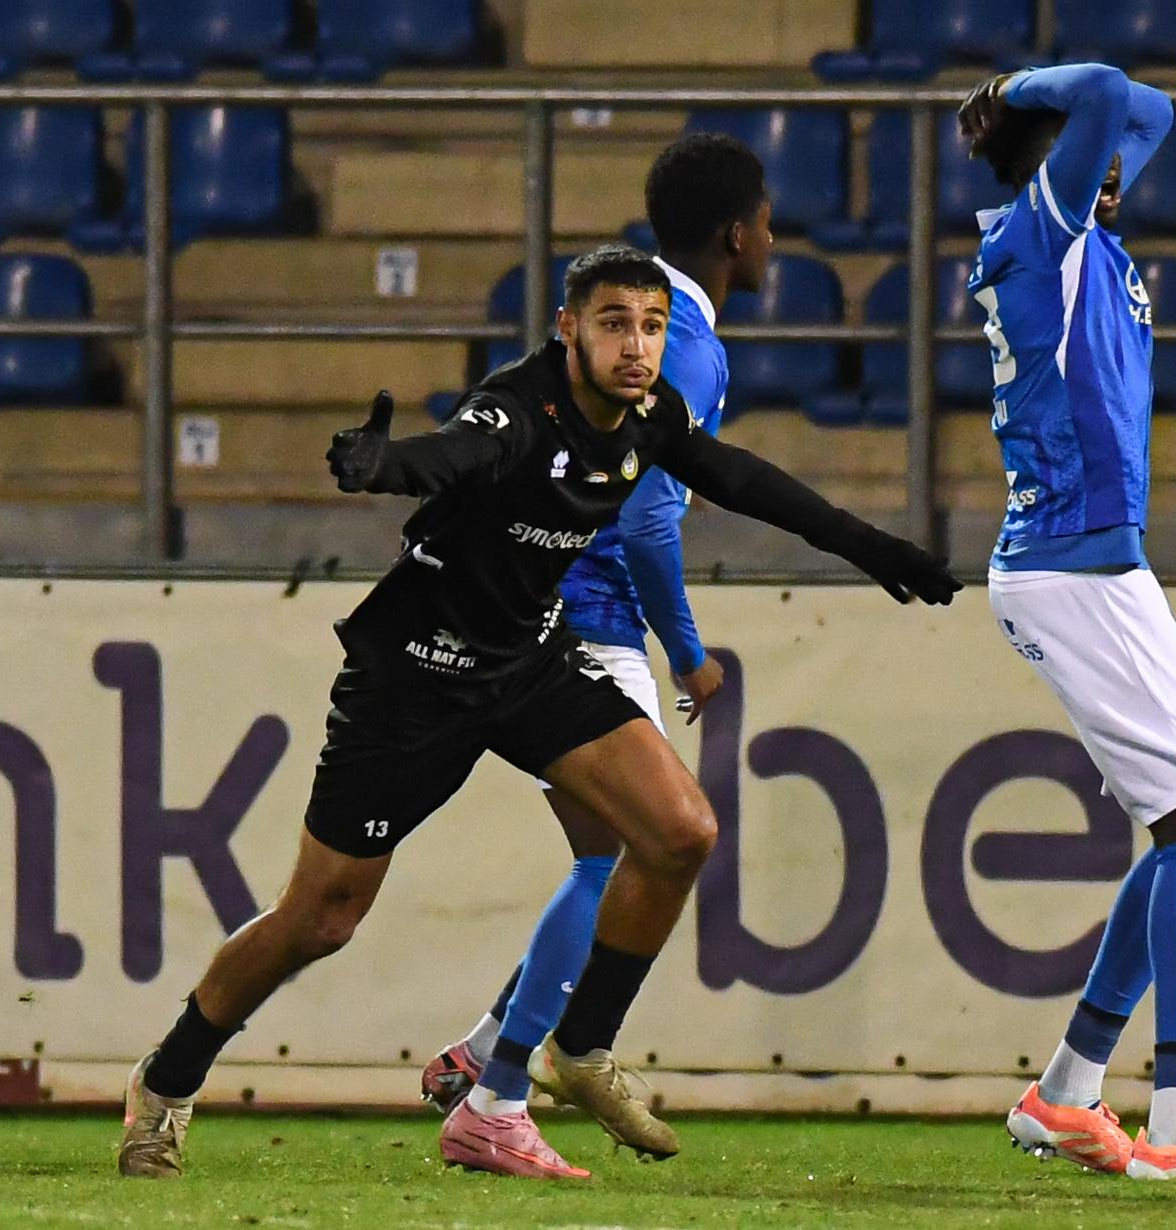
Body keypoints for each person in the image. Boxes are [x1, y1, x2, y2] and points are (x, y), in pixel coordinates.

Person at [117, 245, 959, 1182]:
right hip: (416, 677)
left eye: (650, 326)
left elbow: (748, 480)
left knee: (680, 832)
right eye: (613, 324)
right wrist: (386, 465)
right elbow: (456, 451)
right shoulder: (521, 409)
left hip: (526, 662)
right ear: (568, 330)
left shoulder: (649, 414)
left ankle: (581, 1047)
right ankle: (165, 1081)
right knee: (319, 919)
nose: (637, 345)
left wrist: (875, 547)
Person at [958, 63, 1176, 1183]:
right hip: (1075, 565)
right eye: (1085, 151)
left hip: (1091, 563)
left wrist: (1043, 117)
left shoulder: (1072, 220)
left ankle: (1067, 1092)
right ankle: (1175, 1123)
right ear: (1051, 157)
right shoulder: (1041, 230)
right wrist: (1017, 85)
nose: (1116, 165)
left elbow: (1146, 111)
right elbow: (1108, 88)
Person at [418, 135, 770, 1160]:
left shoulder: (629, 315)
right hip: (588, 611)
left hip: (532, 597)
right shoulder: (685, 345)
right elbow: (653, 520)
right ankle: (498, 1096)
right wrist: (690, 650)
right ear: (737, 234)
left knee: (603, 856)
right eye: (769, 225)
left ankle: (484, 1051)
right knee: (636, 852)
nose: (776, 242)